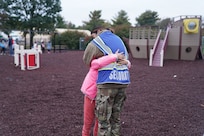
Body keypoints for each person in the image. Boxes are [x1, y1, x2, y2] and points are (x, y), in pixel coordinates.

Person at [83, 26, 131, 135]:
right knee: (116, 118)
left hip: (105, 85)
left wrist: (112, 57)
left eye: (93, 36)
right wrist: (126, 62)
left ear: (98, 32)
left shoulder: (98, 42)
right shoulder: (119, 40)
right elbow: (126, 61)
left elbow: (89, 61)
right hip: (122, 81)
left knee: (102, 121)